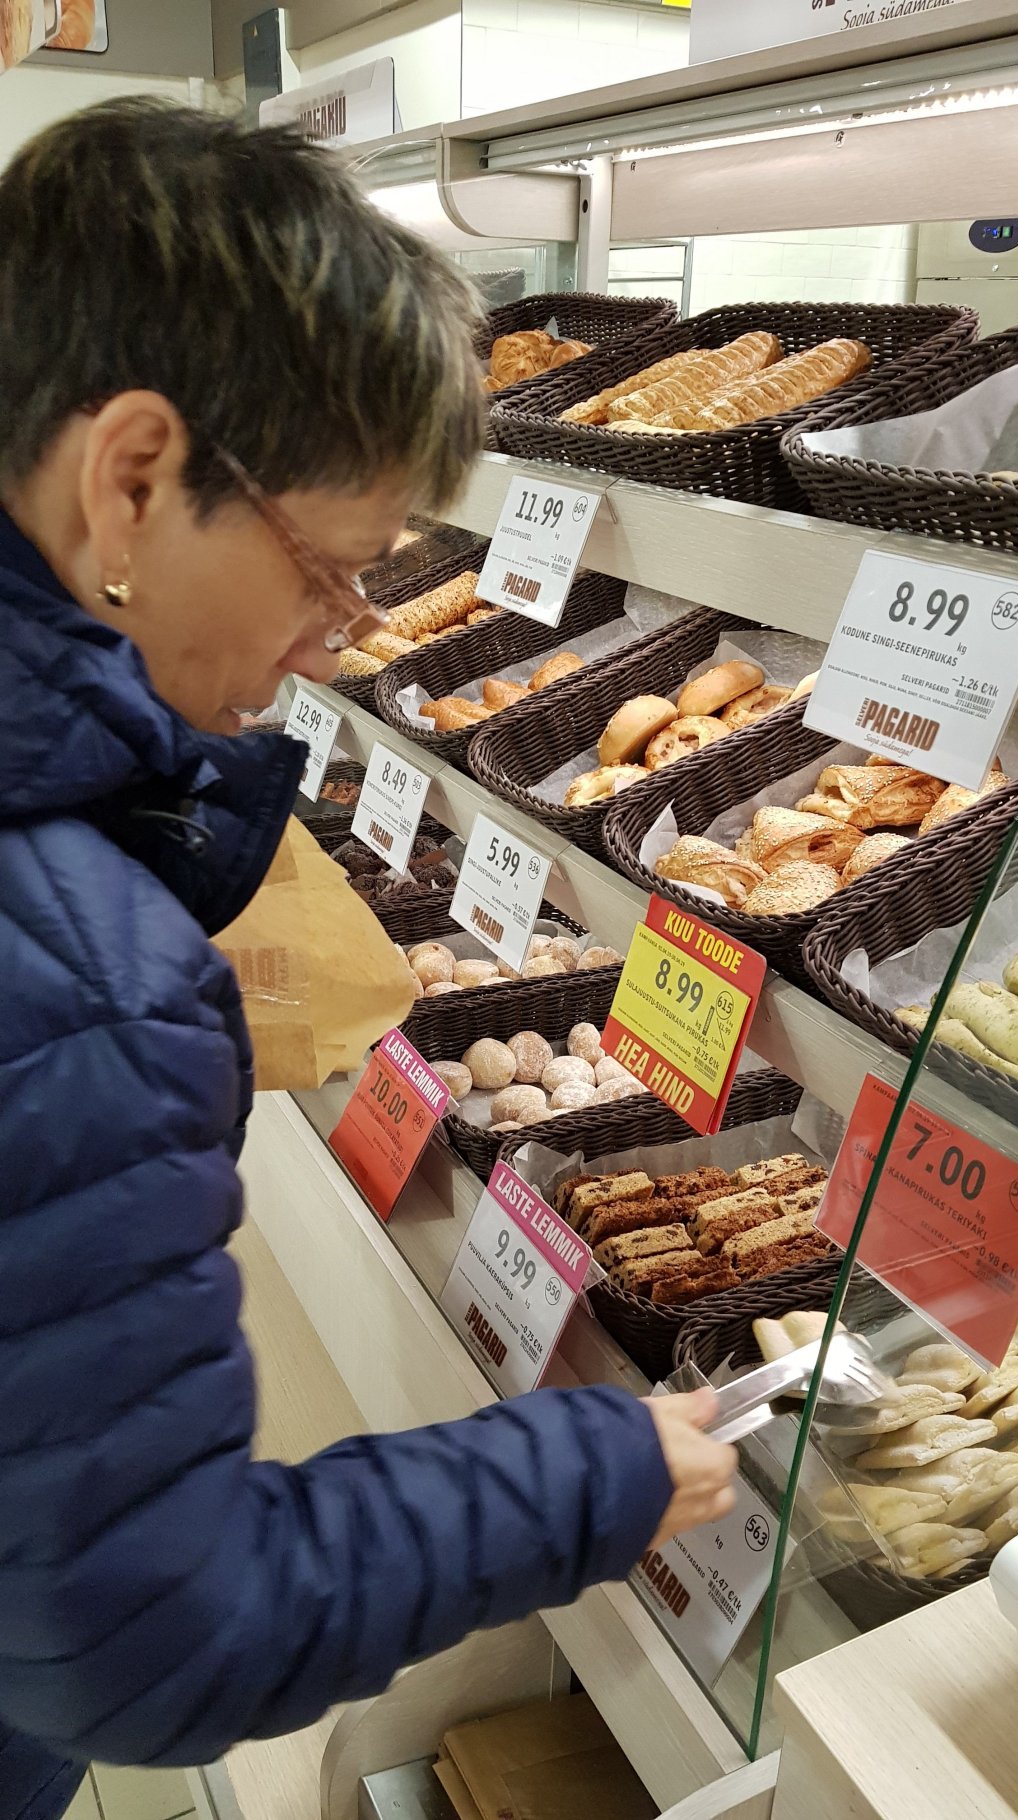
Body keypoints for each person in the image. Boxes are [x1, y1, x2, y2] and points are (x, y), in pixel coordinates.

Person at [0, 100, 737, 1820]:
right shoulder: (83, 979)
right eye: (329, 574)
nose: (337, 643)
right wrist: (592, 1469)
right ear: (131, 473)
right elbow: (147, 1639)